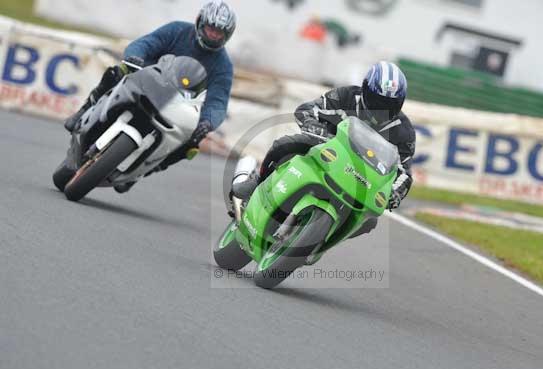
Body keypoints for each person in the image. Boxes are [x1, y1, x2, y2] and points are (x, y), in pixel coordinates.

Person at [64, 0, 236, 190]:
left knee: (192, 144)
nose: (213, 35)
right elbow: (146, 43)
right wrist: (134, 57)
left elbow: (218, 102)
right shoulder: (177, 30)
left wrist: (207, 122)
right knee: (117, 72)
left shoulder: (223, 66)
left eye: (218, 32)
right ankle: (84, 110)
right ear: (199, 22)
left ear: (227, 35)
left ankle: (143, 171)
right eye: (210, 28)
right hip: (148, 81)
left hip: (179, 105)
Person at [233, 61, 415, 234]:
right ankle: (258, 180)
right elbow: (307, 109)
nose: (380, 109)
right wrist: (312, 125)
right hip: (324, 148)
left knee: (369, 221)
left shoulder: (403, 131)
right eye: (377, 101)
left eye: (389, 105)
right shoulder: (347, 96)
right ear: (366, 91)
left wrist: (395, 193)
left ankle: (321, 240)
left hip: (362, 175)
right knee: (285, 144)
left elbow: (404, 172)